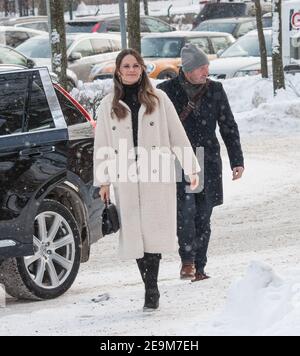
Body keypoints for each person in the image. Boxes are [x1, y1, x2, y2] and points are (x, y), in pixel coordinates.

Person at [93, 49, 200, 311]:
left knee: (153, 231)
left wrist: (191, 168)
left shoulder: (159, 99)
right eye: (126, 66)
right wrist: (104, 181)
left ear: (142, 69)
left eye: (135, 66)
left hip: (156, 175)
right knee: (135, 233)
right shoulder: (108, 105)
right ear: (118, 71)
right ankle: (148, 284)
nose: (131, 70)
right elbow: (102, 144)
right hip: (126, 178)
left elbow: (177, 134)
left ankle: (151, 288)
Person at [158, 44, 245, 282]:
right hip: (180, 158)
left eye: (207, 66)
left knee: (203, 215)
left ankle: (199, 265)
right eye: (201, 67)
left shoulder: (215, 90)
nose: (206, 71)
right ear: (187, 69)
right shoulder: (165, 91)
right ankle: (187, 261)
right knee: (185, 212)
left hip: (207, 158)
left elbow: (229, 126)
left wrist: (237, 160)